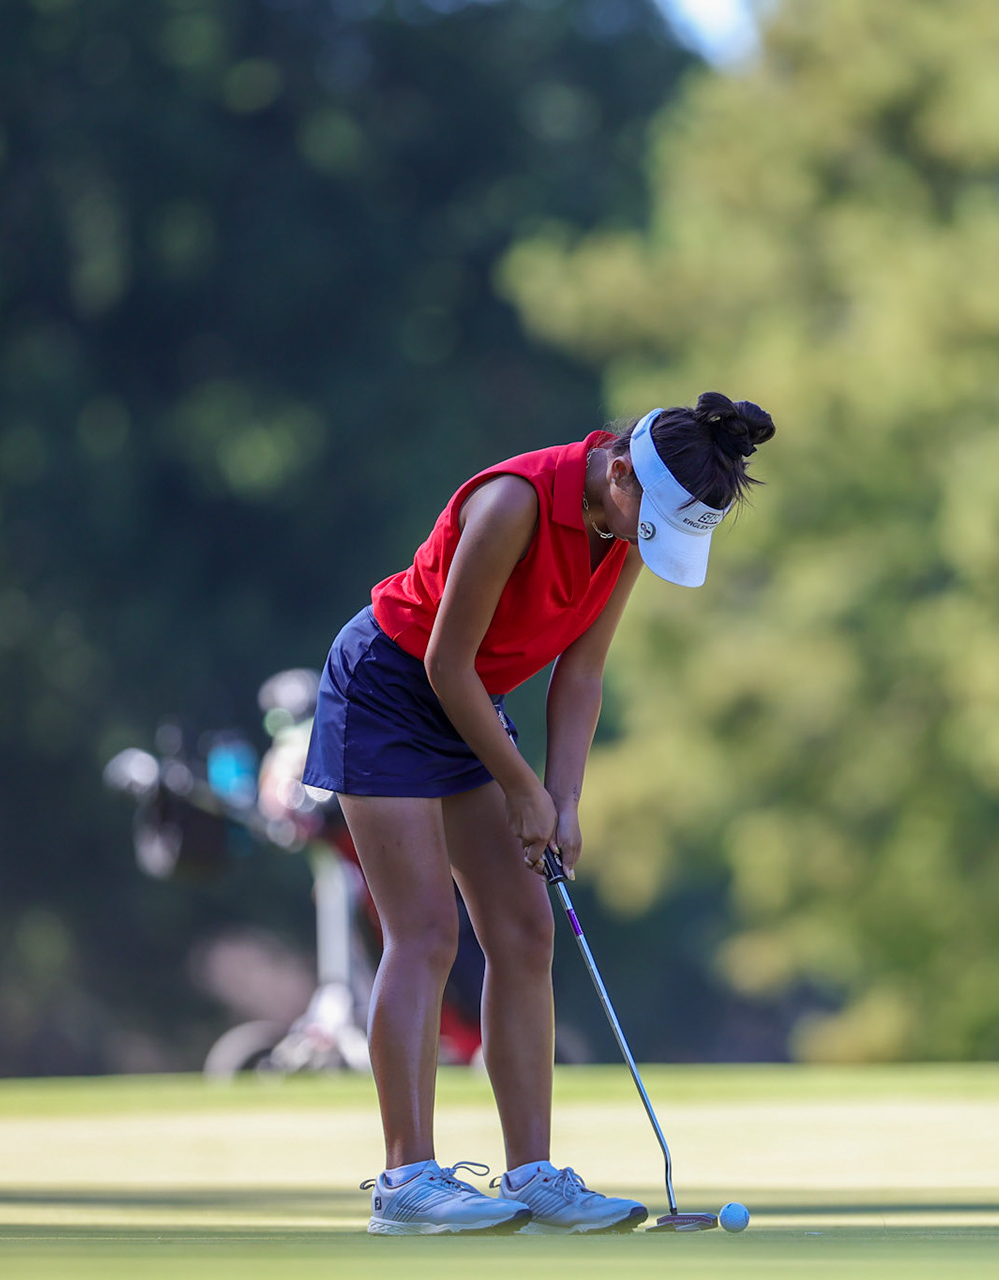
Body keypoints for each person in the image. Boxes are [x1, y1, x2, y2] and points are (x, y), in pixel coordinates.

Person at [302, 392, 776, 1235]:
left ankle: (532, 1176)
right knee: (424, 933)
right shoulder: (512, 504)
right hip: (388, 688)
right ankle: (405, 1181)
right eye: (648, 520)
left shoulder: (630, 528)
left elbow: (582, 673)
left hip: (467, 699)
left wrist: (562, 799)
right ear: (620, 470)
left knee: (524, 931)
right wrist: (520, 787)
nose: (645, 541)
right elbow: (446, 662)